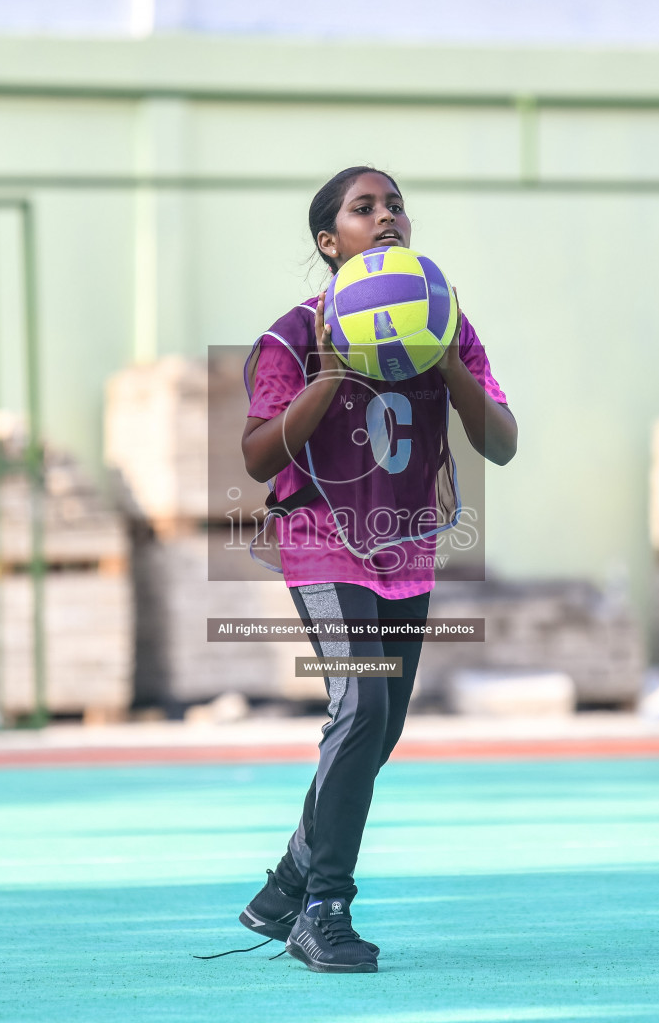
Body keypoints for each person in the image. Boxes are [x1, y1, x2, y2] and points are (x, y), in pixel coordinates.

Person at [234, 166, 517, 972]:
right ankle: (324, 907)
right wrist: (329, 377)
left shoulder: (444, 322)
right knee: (358, 712)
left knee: (383, 726)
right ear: (331, 242)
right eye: (365, 208)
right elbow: (256, 457)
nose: (387, 216)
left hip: (408, 547)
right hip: (324, 541)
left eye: (395, 205)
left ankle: (289, 875)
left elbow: (500, 441)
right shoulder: (296, 333)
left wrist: (449, 362)